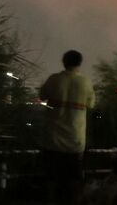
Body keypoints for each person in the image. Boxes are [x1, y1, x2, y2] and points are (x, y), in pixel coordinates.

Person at [40, 49, 96, 203]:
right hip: (75, 142)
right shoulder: (85, 82)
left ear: (63, 62)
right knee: (74, 181)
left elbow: (42, 95)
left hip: (52, 140)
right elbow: (91, 104)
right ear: (79, 63)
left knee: (51, 180)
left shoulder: (53, 80)